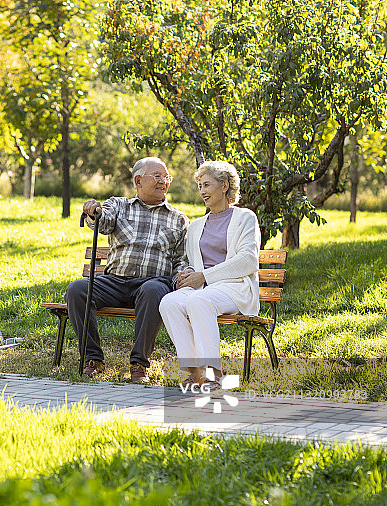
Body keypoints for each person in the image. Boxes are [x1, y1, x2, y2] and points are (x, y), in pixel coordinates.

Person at [66, 156, 190, 382]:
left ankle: (139, 363)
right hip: (114, 282)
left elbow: (181, 260)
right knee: (77, 290)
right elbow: (102, 222)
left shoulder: (178, 219)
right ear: (138, 181)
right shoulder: (119, 205)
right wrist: (94, 211)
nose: (163, 181)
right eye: (157, 176)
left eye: (166, 177)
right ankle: (93, 358)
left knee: (153, 290)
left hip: (152, 284)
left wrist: (182, 277)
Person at [159, 160, 261, 390]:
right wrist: (188, 272)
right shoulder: (196, 226)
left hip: (235, 288)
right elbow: (194, 263)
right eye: (200, 186)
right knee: (169, 303)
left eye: (207, 185)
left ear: (224, 186)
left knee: (199, 300)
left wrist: (204, 276)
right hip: (204, 288)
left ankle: (214, 374)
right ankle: (195, 373)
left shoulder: (245, 218)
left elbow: (248, 260)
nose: (202, 191)